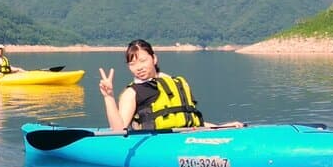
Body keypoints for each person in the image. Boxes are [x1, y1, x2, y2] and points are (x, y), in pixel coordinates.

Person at [98, 39, 243, 131]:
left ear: (154, 59)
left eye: (143, 61)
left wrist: (222, 128)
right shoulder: (132, 93)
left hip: (186, 137)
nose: (139, 67)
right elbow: (118, 131)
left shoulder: (175, 83)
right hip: (157, 144)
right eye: (132, 64)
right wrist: (108, 96)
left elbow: (191, 122)